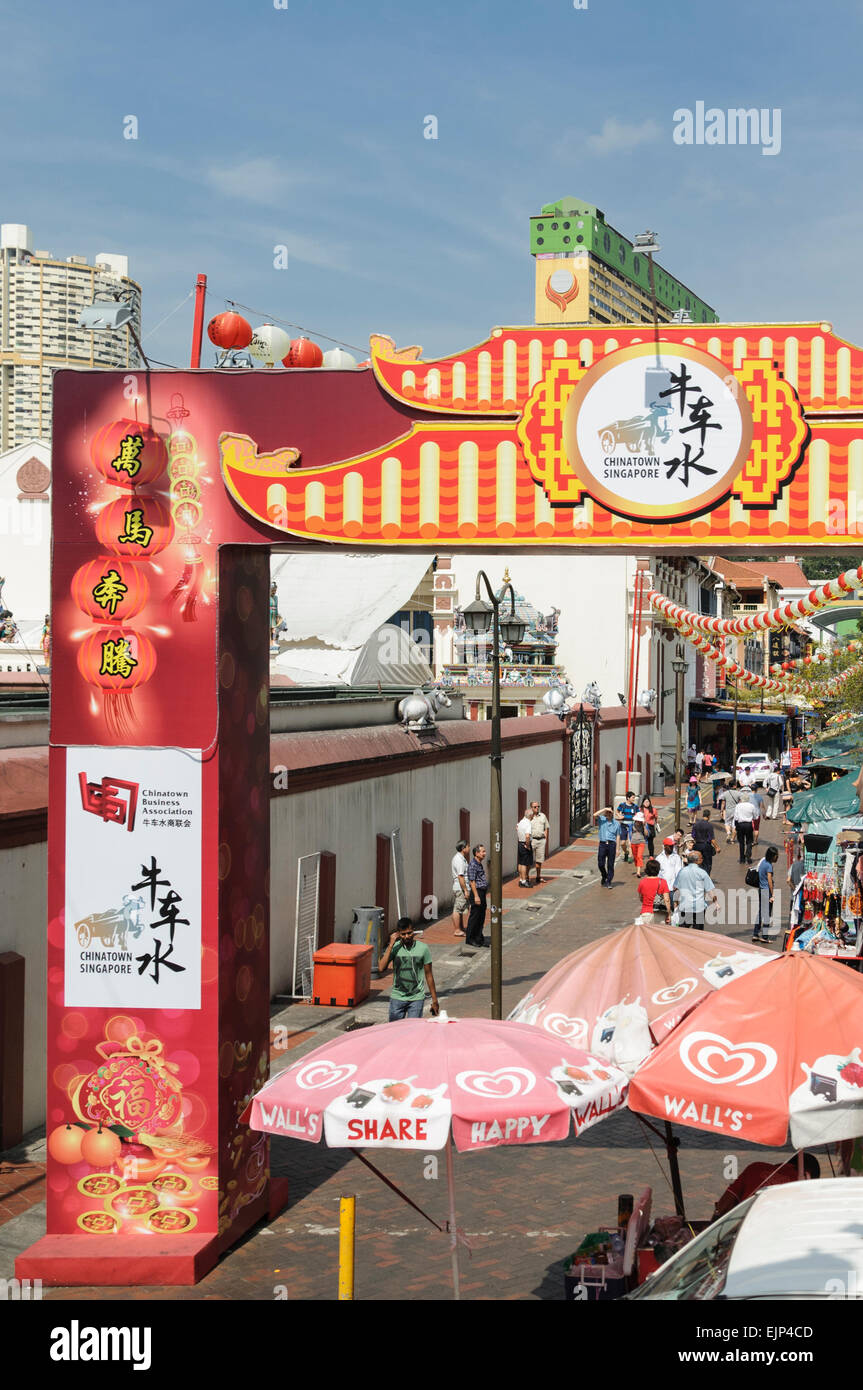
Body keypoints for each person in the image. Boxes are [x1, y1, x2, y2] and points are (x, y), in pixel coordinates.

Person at [713, 1154, 820, 1219]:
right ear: (808, 1174)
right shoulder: (802, 1184)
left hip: (743, 1226)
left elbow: (725, 1202)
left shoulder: (755, 1167)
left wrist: (714, 1220)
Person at [379, 918, 440, 1021]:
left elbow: (429, 975)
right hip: (397, 997)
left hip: (416, 998)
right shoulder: (395, 948)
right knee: (395, 1031)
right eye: (403, 934)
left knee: (413, 1031)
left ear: (413, 931)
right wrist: (390, 945)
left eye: (409, 933)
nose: (407, 936)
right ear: (398, 934)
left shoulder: (423, 948)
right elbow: (381, 968)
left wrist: (434, 1000)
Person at [674, 850, 716, 929]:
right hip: (698, 908)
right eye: (701, 858)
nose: (702, 859)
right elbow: (710, 890)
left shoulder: (682, 871)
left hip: (685, 906)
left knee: (682, 932)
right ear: (697, 861)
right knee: (698, 933)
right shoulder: (702, 873)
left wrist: (676, 903)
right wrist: (716, 903)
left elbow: (676, 888)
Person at [752, 845, 779, 943]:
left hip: (761, 890)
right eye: (776, 856)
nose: (777, 858)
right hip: (767, 891)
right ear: (772, 856)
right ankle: (765, 936)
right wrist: (772, 894)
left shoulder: (763, 862)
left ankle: (755, 933)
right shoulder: (769, 866)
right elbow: (770, 881)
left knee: (760, 912)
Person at [466, 844, 490, 946]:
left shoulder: (479, 864)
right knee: (475, 916)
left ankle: (478, 936)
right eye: (482, 852)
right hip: (477, 892)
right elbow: (472, 881)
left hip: (482, 892)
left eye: (484, 851)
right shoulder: (473, 865)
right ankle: (470, 938)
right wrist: (476, 896)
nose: (484, 853)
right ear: (476, 853)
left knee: (481, 916)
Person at [595, 806, 622, 888]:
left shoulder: (616, 823)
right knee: (600, 863)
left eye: (610, 812)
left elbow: (618, 836)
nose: (608, 814)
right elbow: (594, 815)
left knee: (610, 864)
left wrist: (617, 849)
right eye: (607, 812)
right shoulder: (602, 820)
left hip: (611, 844)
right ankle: (604, 875)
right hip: (603, 844)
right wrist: (604, 809)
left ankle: (609, 881)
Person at [691, 808, 719, 877]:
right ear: (709, 816)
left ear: (703, 815)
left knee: (697, 862)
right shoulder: (709, 825)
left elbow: (693, 835)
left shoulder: (696, 824)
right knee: (707, 864)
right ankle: (706, 877)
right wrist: (717, 847)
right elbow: (712, 839)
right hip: (706, 846)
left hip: (697, 845)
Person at [450, 838, 469, 938]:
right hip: (460, 887)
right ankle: (457, 930)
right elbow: (460, 876)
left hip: (460, 887)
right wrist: (465, 890)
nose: (469, 848)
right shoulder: (459, 860)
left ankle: (460, 927)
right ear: (463, 848)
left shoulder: (461, 858)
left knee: (461, 908)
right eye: (467, 846)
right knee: (458, 908)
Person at [529, 799, 550, 885]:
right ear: (531, 808)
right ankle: (526, 878)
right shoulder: (529, 817)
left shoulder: (543, 816)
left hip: (541, 840)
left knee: (539, 860)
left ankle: (538, 876)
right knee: (529, 860)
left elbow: (546, 827)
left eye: (538, 806)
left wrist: (546, 838)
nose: (537, 808)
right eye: (535, 807)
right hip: (532, 840)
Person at [733, 793, 756, 864]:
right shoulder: (751, 806)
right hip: (748, 825)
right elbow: (755, 816)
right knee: (749, 841)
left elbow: (736, 817)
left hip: (740, 825)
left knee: (741, 842)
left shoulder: (738, 806)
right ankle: (748, 856)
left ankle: (742, 859)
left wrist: (736, 825)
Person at [616, 789, 637, 862]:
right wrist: (619, 816)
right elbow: (617, 811)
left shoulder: (635, 806)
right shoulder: (622, 805)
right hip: (623, 825)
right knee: (622, 843)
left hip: (631, 825)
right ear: (628, 798)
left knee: (629, 841)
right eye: (633, 797)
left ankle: (630, 856)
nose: (634, 799)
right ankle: (626, 852)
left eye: (634, 797)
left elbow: (638, 814)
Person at [516, 806, 534, 887]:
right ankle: (524, 881)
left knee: (520, 862)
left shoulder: (521, 822)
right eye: (532, 815)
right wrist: (528, 846)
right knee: (524, 863)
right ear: (530, 816)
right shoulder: (528, 823)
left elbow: (516, 828)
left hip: (520, 843)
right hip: (525, 843)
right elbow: (527, 836)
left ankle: (520, 879)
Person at [630, 812, 647, 877]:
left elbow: (646, 834)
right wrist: (629, 842)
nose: (638, 822)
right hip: (633, 842)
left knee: (639, 856)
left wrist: (644, 826)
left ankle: (638, 872)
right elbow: (629, 834)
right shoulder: (632, 824)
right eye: (637, 820)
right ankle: (637, 868)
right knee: (635, 857)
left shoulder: (643, 825)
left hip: (641, 842)